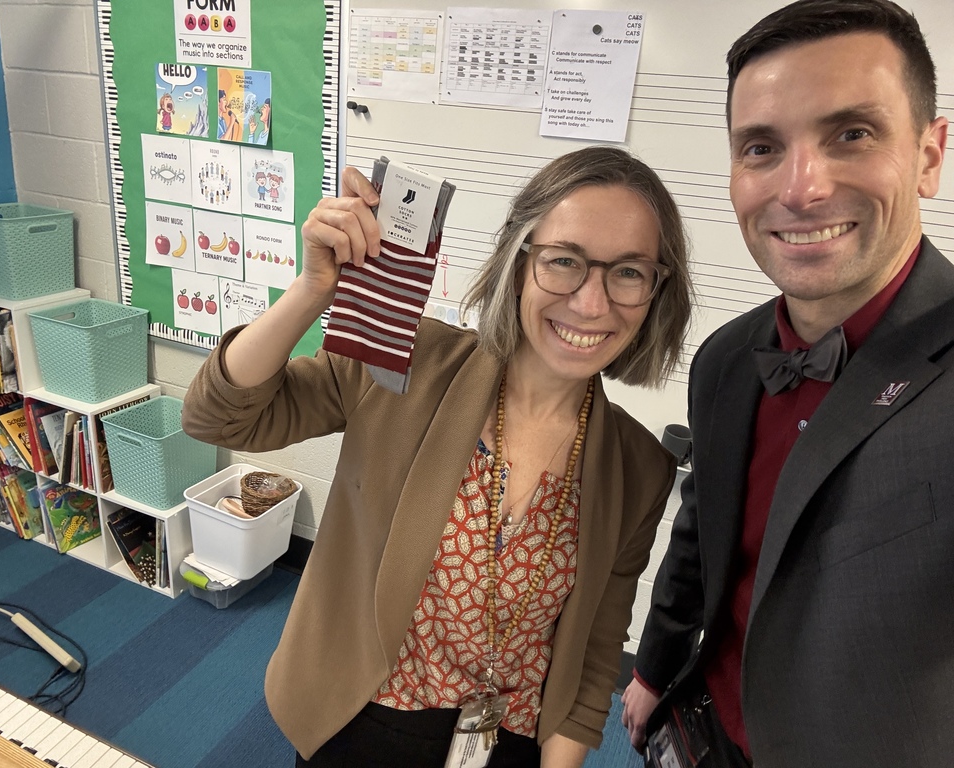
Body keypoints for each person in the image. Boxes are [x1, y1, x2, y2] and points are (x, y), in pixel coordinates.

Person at [182, 145, 693, 767]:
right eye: (563, 261)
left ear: (657, 290)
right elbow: (217, 415)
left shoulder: (638, 469)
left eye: (629, 272)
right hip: (360, 716)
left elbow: (591, 659)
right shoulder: (409, 363)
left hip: (507, 743)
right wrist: (314, 287)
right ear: (518, 261)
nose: (591, 302)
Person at [620, 1, 951, 766]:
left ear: (931, 155)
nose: (799, 189)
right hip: (709, 731)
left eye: (852, 134)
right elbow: (701, 536)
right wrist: (653, 665)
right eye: (762, 147)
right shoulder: (726, 358)